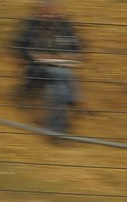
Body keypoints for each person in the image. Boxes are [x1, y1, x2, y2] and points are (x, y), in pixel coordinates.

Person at [12, 0, 84, 137]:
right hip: (36, 68)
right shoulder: (30, 25)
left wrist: (70, 56)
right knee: (62, 74)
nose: (50, 14)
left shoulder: (65, 26)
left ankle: (58, 130)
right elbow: (18, 48)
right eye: (46, 11)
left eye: (53, 11)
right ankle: (71, 101)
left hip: (59, 67)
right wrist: (34, 55)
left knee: (59, 85)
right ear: (39, 12)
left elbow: (78, 49)